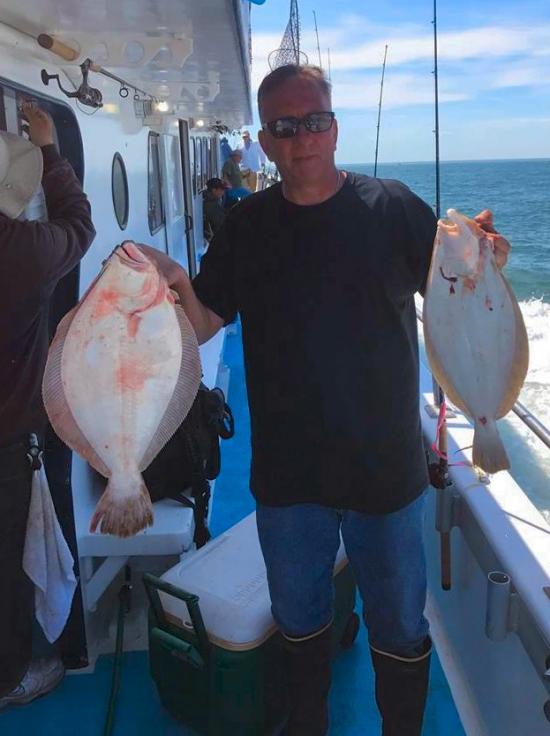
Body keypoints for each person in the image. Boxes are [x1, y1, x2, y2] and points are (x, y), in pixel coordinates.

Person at [140, 65, 509, 736]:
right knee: (299, 620)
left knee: (400, 625)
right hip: (290, 478)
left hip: (385, 473)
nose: (302, 137)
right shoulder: (247, 226)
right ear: (264, 140)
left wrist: (487, 260)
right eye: (284, 126)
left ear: (334, 129)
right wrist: (170, 285)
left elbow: (456, 291)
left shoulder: (392, 207)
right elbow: (203, 321)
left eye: (314, 121)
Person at [0, 102, 95, 708]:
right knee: (7, 568)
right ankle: (11, 677)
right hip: (9, 442)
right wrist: (52, 151)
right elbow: (80, 225)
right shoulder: (23, 249)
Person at [202, 177, 226, 243]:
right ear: (214, 190)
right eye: (221, 190)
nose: (223, 192)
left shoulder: (208, 200)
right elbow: (220, 225)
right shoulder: (212, 205)